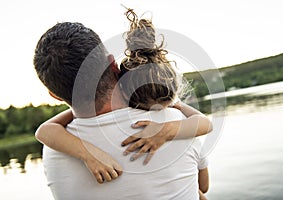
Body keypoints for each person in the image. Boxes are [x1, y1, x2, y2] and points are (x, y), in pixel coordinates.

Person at [34, 9, 210, 200]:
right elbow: (202, 187)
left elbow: (44, 130)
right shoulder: (178, 124)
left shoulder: (54, 149)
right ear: (112, 64)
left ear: (55, 96)